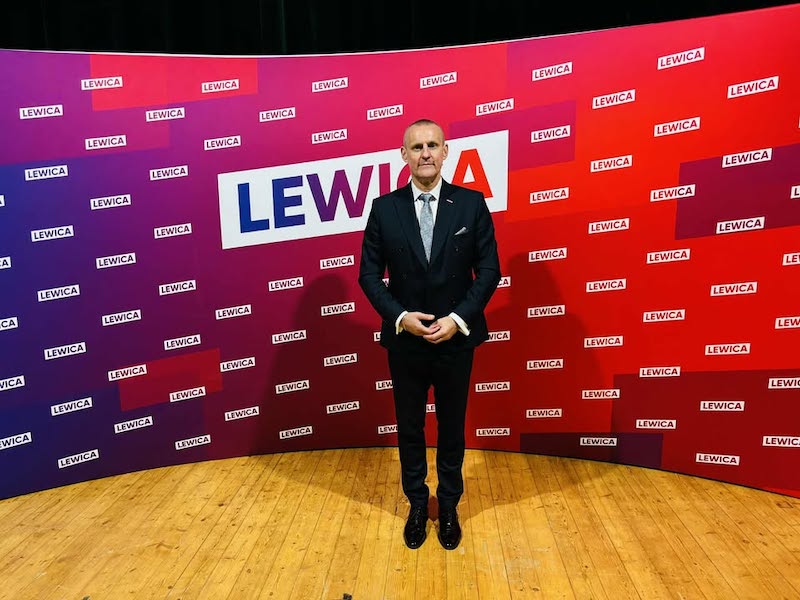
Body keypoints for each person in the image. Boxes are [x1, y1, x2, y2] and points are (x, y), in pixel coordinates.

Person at [358, 119, 501, 550]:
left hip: (455, 340)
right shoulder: (384, 209)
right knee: (410, 429)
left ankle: (450, 506)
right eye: (416, 146)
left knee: (452, 428)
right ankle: (418, 505)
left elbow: (488, 271)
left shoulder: (471, 204)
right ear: (403, 155)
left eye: (432, 145)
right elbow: (369, 275)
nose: (425, 153)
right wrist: (401, 316)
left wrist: (457, 319)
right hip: (406, 343)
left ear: (445, 151)